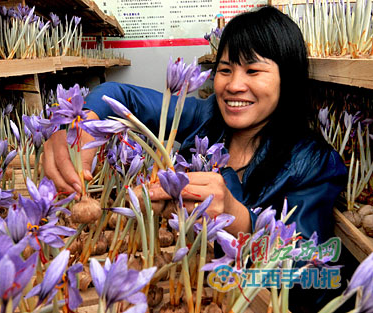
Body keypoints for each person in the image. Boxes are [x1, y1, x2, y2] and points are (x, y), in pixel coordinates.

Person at [43, 6, 350, 311]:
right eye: (225, 69)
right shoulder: (207, 117)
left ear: (288, 79)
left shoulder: (314, 163)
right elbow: (118, 95)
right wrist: (78, 121)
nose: (233, 85)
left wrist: (239, 218)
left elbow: (310, 281)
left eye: (253, 71)